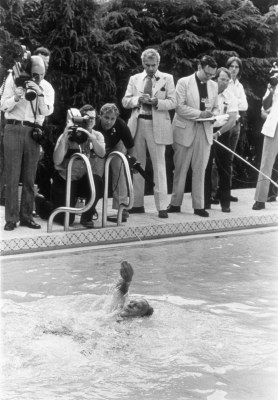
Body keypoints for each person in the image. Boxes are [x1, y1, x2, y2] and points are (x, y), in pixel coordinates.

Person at [1, 55, 55, 231]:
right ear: (28, 70)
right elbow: (2, 105)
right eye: (34, 74)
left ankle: (26, 216)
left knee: (30, 177)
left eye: (41, 74)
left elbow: (46, 111)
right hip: (13, 127)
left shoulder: (46, 87)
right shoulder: (14, 78)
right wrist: (16, 97)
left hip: (33, 131)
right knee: (12, 176)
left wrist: (38, 93)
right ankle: (11, 218)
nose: (37, 78)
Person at [122, 48, 176, 219]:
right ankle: (137, 204)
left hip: (157, 124)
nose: (150, 68)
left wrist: (157, 102)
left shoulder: (167, 78)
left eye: (153, 65)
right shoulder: (135, 79)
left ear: (158, 64)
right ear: (142, 63)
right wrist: (138, 100)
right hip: (138, 123)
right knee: (137, 164)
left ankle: (161, 206)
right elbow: (125, 101)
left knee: (159, 166)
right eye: (147, 65)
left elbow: (173, 102)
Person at [35, 105, 105, 228]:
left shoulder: (97, 135)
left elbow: (102, 153)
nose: (89, 121)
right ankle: (42, 204)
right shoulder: (67, 136)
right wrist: (64, 138)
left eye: (93, 119)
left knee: (98, 182)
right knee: (66, 220)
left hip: (82, 179)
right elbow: (57, 161)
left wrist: (91, 137)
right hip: (64, 179)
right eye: (86, 118)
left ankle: (87, 216)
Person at [167, 55, 218, 218]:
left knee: (200, 169)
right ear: (199, 67)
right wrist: (200, 113)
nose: (209, 77)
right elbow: (179, 107)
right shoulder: (183, 82)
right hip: (184, 130)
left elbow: (216, 107)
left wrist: (214, 116)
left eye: (212, 75)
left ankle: (199, 205)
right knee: (180, 169)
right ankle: (175, 203)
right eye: (207, 73)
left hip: (204, 131)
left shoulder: (214, 86)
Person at [93, 103, 135, 221]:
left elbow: (130, 146)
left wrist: (132, 162)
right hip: (100, 147)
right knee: (97, 173)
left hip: (117, 144)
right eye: (106, 118)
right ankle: (90, 206)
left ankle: (122, 209)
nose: (109, 122)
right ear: (100, 115)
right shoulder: (94, 125)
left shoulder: (120, 124)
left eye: (112, 119)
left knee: (120, 171)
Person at [204, 67, 238, 212]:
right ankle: (205, 202)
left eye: (227, 80)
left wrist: (218, 133)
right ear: (215, 78)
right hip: (206, 130)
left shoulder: (231, 96)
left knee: (225, 168)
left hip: (223, 133)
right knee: (205, 167)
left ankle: (225, 204)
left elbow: (232, 120)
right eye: (221, 79)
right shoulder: (206, 92)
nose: (224, 82)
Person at [225, 56, 248, 202]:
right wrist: (236, 102)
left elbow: (245, 106)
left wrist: (233, 101)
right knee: (219, 159)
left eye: (236, 67)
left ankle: (226, 191)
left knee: (230, 159)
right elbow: (225, 104)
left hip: (236, 124)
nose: (234, 69)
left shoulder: (239, 86)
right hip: (225, 124)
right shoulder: (223, 82)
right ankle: (214, 192)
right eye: (231, 66)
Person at [252, 78, 278, 210]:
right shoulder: (274, 83)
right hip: (274, 127)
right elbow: (265, 105)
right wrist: (272, 90)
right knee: (266, 164)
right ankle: (260, 200)